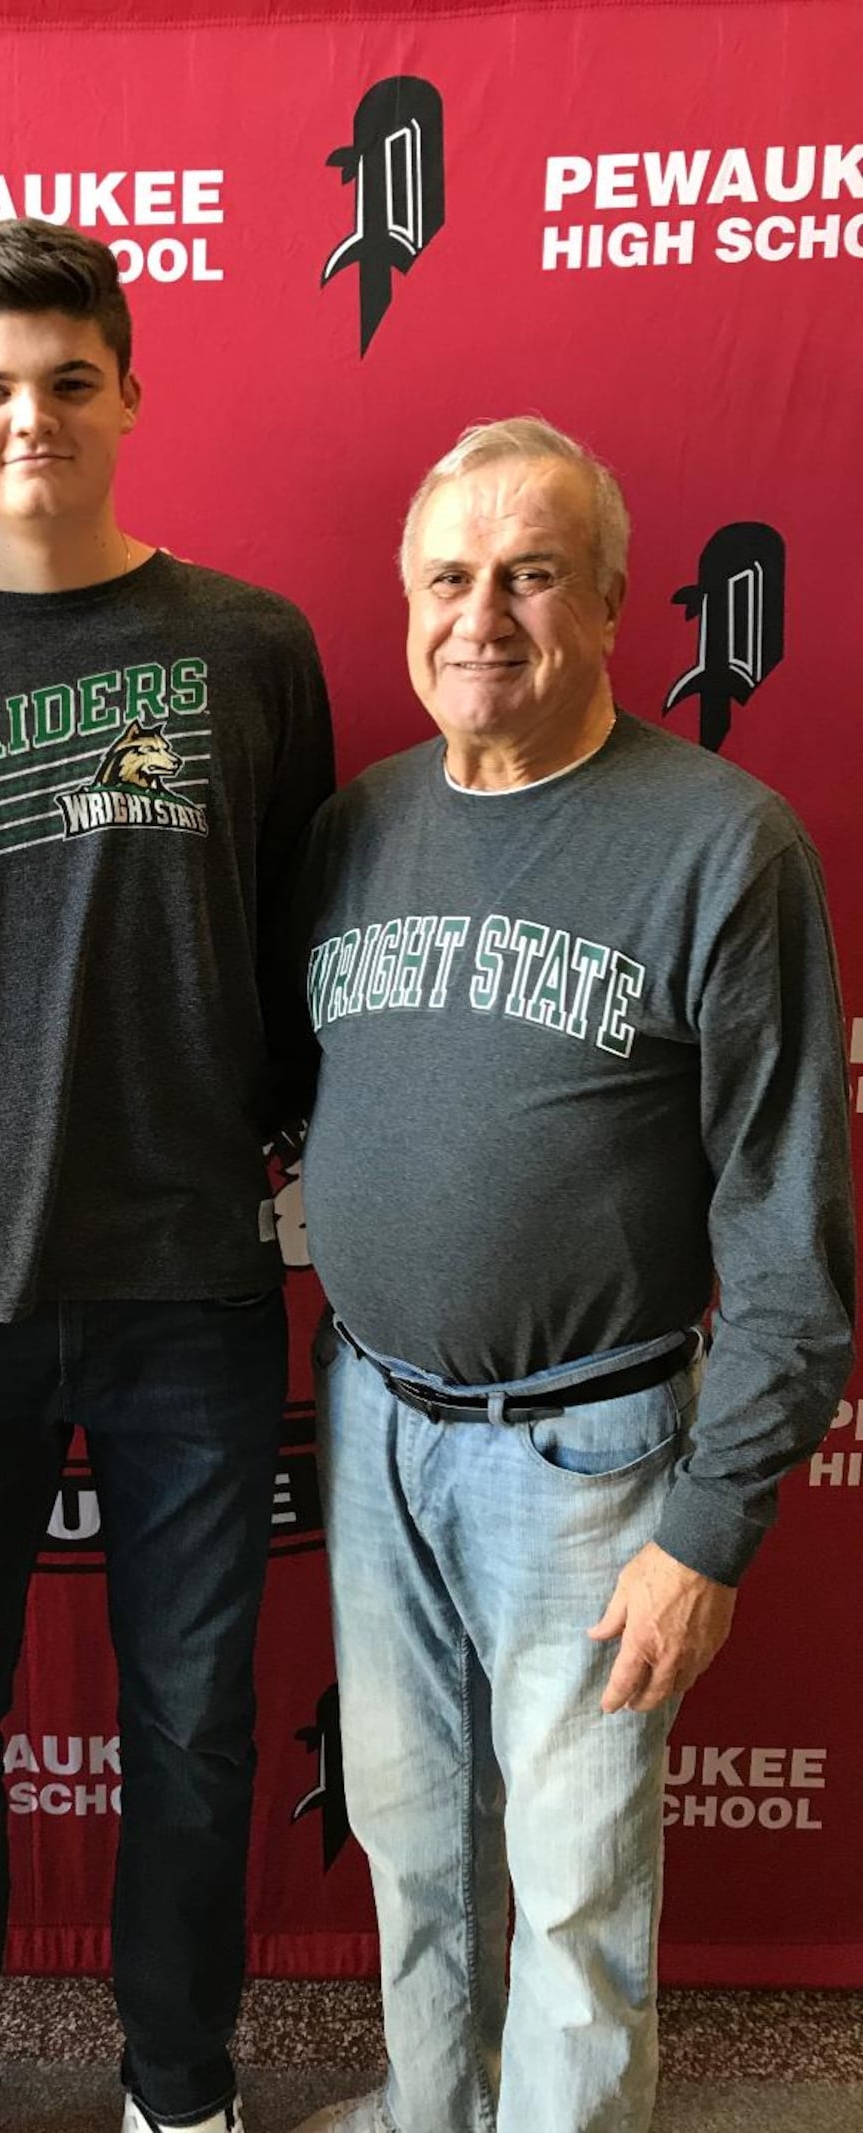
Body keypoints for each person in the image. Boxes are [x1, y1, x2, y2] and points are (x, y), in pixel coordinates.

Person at [0, 219, 335, 2133]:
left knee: (194, 1730)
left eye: (70, 380)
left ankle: (176, 2082)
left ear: (130, 391)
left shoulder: (253, 647)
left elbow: (294, 966)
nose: (34, 418)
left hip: (192, 1280)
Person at [288, 418, 854, 2133]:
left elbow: (788, 1221)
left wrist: (712, 1525)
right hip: (377, 1422)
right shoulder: (358, 826)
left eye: (530, 574)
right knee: (412, 1843)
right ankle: (429, 2110)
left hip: (593, 1458)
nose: (484, 617)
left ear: (609, 600)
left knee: (578, 1888)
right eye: (449, 578)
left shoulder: (720, 843)